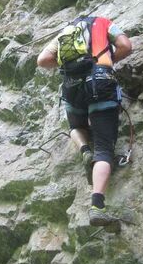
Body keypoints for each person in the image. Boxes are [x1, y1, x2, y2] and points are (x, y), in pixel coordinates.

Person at [36, 16, 132, 227]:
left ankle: (85, 150)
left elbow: (42, 60)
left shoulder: (65, 32)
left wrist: (68, 66)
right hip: (100, 82)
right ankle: (97, 205)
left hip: (72, 86)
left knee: (76, 126)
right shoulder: (102, 23)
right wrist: (108, 60)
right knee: (105, 149)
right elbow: (126, 45)